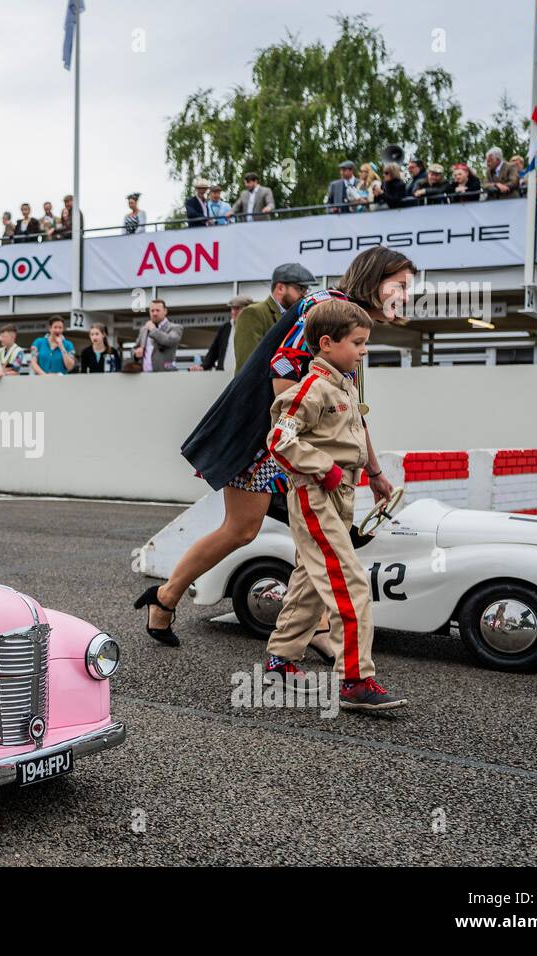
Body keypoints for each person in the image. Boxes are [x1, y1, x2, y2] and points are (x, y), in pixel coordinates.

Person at [138, 247, 414, 653]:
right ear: (376, 278)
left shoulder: (349, 320)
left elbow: (350, 406)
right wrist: (290, 443)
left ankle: (309, 627)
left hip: (292, 445)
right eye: (401, 285)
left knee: (307, 533)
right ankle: (166, 598)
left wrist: (373, 471)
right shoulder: (324, 306)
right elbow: (283, 367)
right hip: (264, 441)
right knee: (245, 529)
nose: (406, 294)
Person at [263, 298, 406, 710]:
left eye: (366, 343)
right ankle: (355, 680)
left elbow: (355, 433)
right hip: (316, 494)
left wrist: (374, 475)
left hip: (340, 493)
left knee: (311, 579)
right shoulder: (310, 389)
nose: (364, 350)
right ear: (326, 343)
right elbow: (279, 439)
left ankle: (281, 659)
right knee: (350, 583)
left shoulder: (343, 383)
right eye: (358, 343)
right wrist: (323, 467)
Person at [233, 264, 314, 370]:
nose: (304, 295)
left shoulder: (299, 317)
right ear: (280, 288)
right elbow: (248, 365)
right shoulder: (253, 313)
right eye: (300, 289)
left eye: (307, 290)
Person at [202, 295, 251, 373]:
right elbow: (214, 351)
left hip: (244, 376)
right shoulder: (225, 328)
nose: (233, 312)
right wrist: (203, 366)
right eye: (232, 308)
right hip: (223, 375)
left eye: (237, 308)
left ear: (248, 309)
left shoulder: (253, 327)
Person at [132, 299, 183, 372]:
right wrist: (135, 353)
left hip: (166, 374)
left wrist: (153, 330)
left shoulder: (175, 327)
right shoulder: (144, 329)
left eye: (157, 310)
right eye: (152, 311)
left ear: (165, 311)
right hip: (144, 375)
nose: (154, 313)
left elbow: (169, 341)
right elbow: (134, 348)